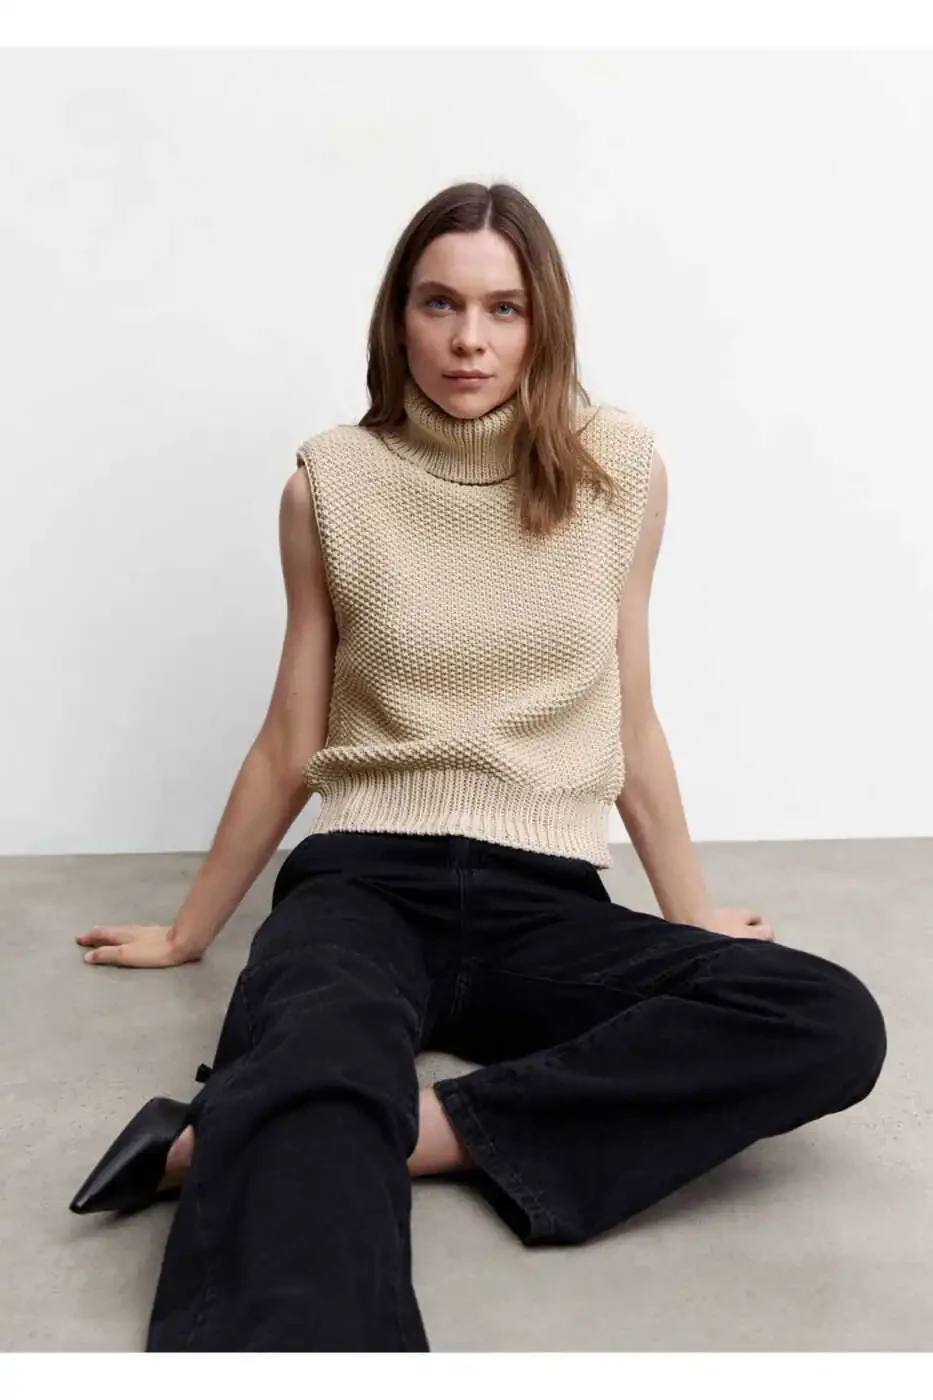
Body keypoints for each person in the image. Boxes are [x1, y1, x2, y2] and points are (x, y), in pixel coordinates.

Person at [70, 181, 887, 1352]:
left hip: (543, 899)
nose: (469, 338)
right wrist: (188, 931)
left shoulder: (621, 472)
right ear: (397, 318)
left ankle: (319, 1129)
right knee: (311, 1050)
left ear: (543, 321)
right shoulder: (330, 484)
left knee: (825, 1015)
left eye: (503, 308)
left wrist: (690, 909)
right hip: (362, 879)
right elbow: (292, 739)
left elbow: (631, 718)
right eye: (439, 303)